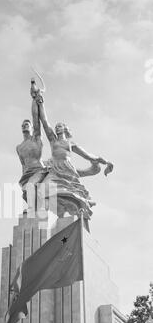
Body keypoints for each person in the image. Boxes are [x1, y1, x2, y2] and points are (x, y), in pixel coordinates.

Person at [31, 81, 113, 220]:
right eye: (56, 127)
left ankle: (83, 202)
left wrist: (105, 161)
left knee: (74, 192)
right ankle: (51, 212)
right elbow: (44, 121)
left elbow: (89, 156)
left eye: (59, 126)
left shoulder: (70, 143)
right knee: (43, 189)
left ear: (65, 129)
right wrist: (40, 103)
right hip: (56, 169)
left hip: (67, 169)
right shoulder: (53, 140)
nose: (56, 128)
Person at [16, 80, 48, 213]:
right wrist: (23, 176)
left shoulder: (36, 137)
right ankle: (34, 209)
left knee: (30, 188)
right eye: (23, 125)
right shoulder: (19, 147)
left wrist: (34, 100)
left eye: (27, 125)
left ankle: (35, 209)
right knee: (27, 192)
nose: (25, 126)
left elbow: (35, 117)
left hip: (39, 169)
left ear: (30, 128)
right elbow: (23, 164)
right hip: (27, 173)